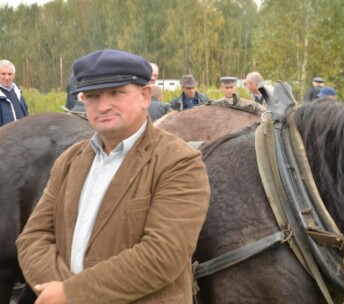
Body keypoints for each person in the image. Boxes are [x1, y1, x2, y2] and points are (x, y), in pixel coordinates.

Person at [16, 49, 210, 304]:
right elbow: (33, 237)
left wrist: (71, 294)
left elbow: (163, 255)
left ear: (145, 96)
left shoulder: (178, 162)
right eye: (93, 96)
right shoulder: (70, 161)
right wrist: (61, 291)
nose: (103, 105)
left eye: (116, 93)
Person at [0, 59, 29, 127]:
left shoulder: (18, 93)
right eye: (3, 74)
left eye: (10, 74)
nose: (7, 77)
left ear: (14, 75)